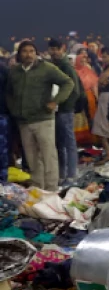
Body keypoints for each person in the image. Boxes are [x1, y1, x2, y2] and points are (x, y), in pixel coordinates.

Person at [6, 41, 75, 191]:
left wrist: (56, 101)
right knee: (31, 157)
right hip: (24, 121)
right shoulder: (15, 72)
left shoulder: (47, 68)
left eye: (32, 51)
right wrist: (14, 109)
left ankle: (51, 189)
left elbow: (68, 83)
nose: (28, 54)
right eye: (25, 51)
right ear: (19, 54)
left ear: (36, 53)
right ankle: (38, 187)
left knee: (48, 155)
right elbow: (9, 93)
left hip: (43, 119)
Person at [48, 40, 82, 184]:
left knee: (69, 142)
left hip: (64, 110)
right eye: (52, 49)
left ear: (62, 49)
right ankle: (62, 174)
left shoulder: (66, 66)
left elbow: (75, 90)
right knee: (59, 143)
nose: (54, 52)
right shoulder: (52, 65)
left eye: (57, 49)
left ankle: (71, 174)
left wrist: (65, 105)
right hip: (55, 110)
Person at [92, 48, 109, 161]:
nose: (103, 59)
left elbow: (100, 80)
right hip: (105, 97)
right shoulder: (107, 67)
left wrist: (102, 80)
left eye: (105, 57)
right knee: (101, 126)